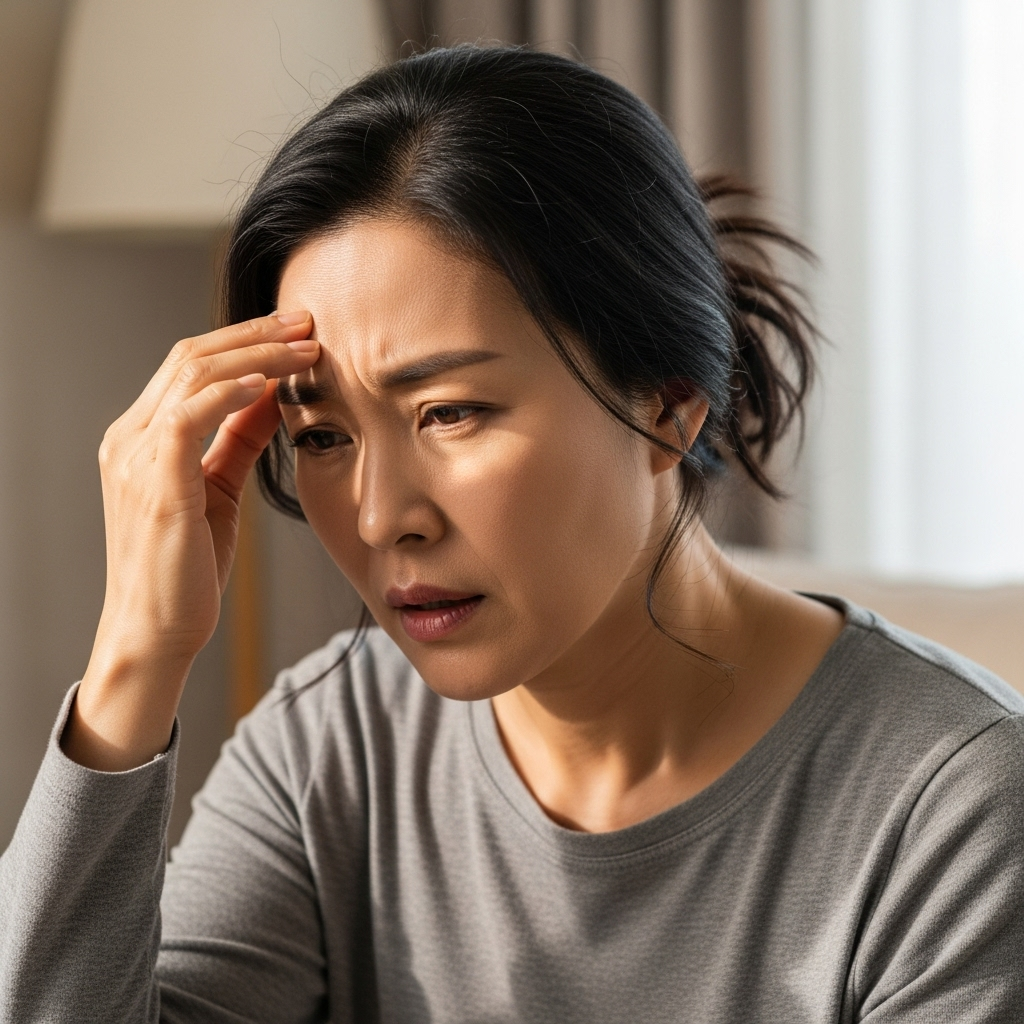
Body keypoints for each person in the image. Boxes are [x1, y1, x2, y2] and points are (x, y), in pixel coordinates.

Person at [1, 44, 1023, 1024]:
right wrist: (136, 653)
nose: (377, 515)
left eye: (450, 411)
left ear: (667, 406)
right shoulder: (336, 745)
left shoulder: (955, 807)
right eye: (321, 434)